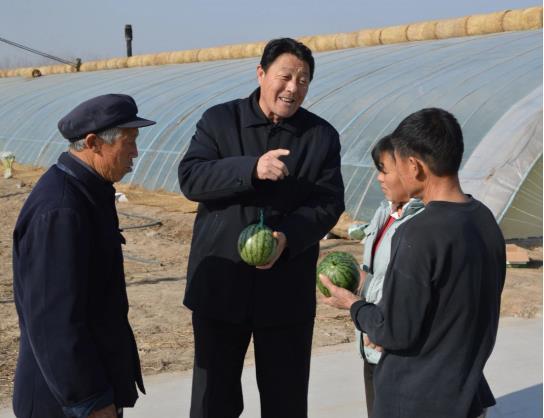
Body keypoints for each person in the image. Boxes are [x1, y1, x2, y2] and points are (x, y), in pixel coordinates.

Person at [178, 38, 344, 418]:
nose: (292, 88)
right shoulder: (219, 121)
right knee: (213, 401)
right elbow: (191, 178)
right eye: (285, 76)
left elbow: (329, 202)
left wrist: (288, 238)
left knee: (285, 401)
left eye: (303, 81)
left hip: (285, 292)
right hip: (221, 285)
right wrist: (249, 169)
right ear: (261, 74)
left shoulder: (321, 136)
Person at [321, 108, 505, 418]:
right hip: (466, 395)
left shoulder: (417, 233)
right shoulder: (484, 219)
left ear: (414, 166)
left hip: (418, 401)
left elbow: (394, 331)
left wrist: (353, 304)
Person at [12, 94, 156, 418]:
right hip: (65, 403)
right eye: (128, 142)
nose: (136, 152)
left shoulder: (88, 193)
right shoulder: (62, 210)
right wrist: (89, 401)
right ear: (93, 143)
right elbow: (54, 323)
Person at [355, 134, 424, 416]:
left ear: (411, 168)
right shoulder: (385, 212)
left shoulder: (423, 223)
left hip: (398, 348)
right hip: (373, 341)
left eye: (384, 169)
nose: (379, 178)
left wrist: (362, 288)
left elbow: (411, 288)